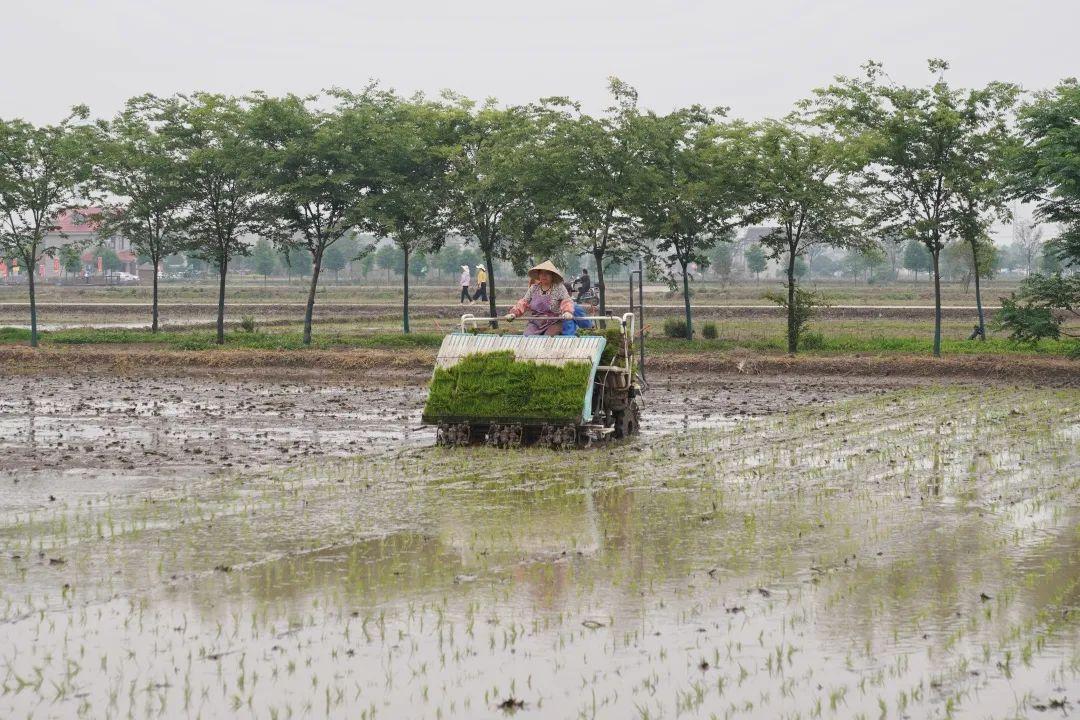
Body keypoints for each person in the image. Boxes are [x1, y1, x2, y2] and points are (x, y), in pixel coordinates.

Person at [504, 260, 574, 336]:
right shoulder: (533, 288)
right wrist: (514, 313)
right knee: (527, 336)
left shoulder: (559, 288)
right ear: (539, 275)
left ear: (552, 275)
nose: (544, 276)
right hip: (535, 322)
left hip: (553, 322)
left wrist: (567, 312)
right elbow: (524, 302)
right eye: (541, 273)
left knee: (548, 338)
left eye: (547, 273)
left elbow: (566, 301)